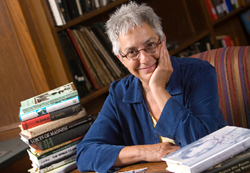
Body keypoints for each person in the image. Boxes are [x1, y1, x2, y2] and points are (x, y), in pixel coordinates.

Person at [76, 2, 227, 172]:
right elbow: (85, 154)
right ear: (121, 59)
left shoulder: (199, 73)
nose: (145, 59)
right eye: (132, 52)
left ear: (162, 41)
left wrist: (158, 88)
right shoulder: (120, 93)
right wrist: (147, 152)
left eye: (150, 45)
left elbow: (206, 145)